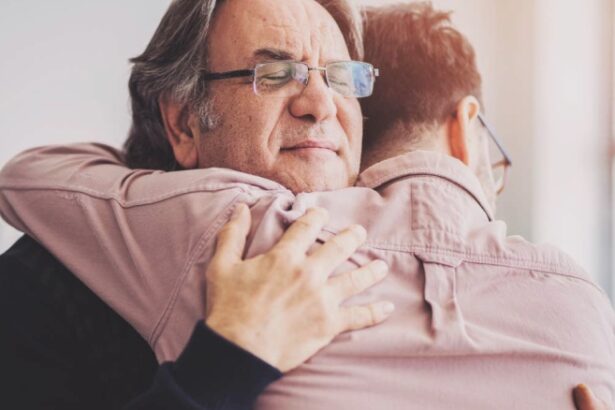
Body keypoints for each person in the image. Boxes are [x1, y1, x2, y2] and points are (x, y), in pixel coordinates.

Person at [1, 1, 612, 409]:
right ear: (184, 124)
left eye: (341, 78)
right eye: (275, 74)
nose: (320, 104)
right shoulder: (54, 278)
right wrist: (228, 358)